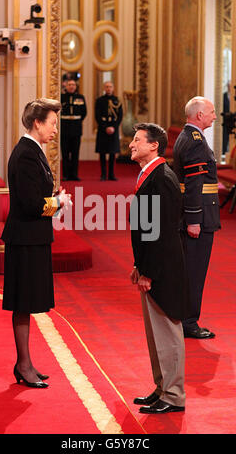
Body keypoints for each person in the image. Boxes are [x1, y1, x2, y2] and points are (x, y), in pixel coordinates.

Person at [2, 98, 71, 388]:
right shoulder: (27, 153)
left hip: (32, 237)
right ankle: (23, 364)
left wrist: (53, 196)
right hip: (25, 239)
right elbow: (31, 204)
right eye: (53, 123)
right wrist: (58, 202)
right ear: (37, 123)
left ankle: (25, 362)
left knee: (27, 302)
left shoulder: (34, 150)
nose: (55, 129)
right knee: (24, 302)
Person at [129, 123, 191, 414]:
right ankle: (162, 387)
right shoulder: (148, 175)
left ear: (154, 146)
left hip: (163, 269)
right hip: (152, 265)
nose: (131, 144)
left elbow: (161, 232)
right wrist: (137, 264)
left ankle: (174, 395)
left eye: (137, 140)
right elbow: (144, 228)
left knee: (167, 332)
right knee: (156, 335)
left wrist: (149, 271)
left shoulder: (162, 178)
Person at [173, 96, 221, 339]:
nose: (215, 116)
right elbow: (193, 184)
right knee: (194, 271)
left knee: (190, 269)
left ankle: (185, 318)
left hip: (198, 213)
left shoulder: (190, 137)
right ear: (199, 115)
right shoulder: (195, 142)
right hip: (199, 215)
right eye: (211, 112)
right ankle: (189, 322)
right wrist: (193, 220)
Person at [95, 81, 123, 181]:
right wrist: (105, 127)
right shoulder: (99, 100)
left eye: (110, 87)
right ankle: (103, 174)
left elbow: (120, 116)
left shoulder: (117, 101)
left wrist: (113, 127)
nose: (108, 88)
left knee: (112, 153)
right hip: (103, 129)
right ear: (104, 88)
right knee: (102, 153)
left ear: (113, 88)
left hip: (113, 129)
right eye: (106, 87)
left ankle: (111, 174)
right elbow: (97, 116)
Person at [60, 79, 87, 181]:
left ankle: (74, 174)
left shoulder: (80, 97)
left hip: (76, 128)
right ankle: (66, 175)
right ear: (65, 86)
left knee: (75, 153)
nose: (71, 86)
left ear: (76, 86)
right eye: (69, 84)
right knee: (65, 153)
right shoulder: (61, 97)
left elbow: (84, 112)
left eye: (73, 85)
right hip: (65, 128)